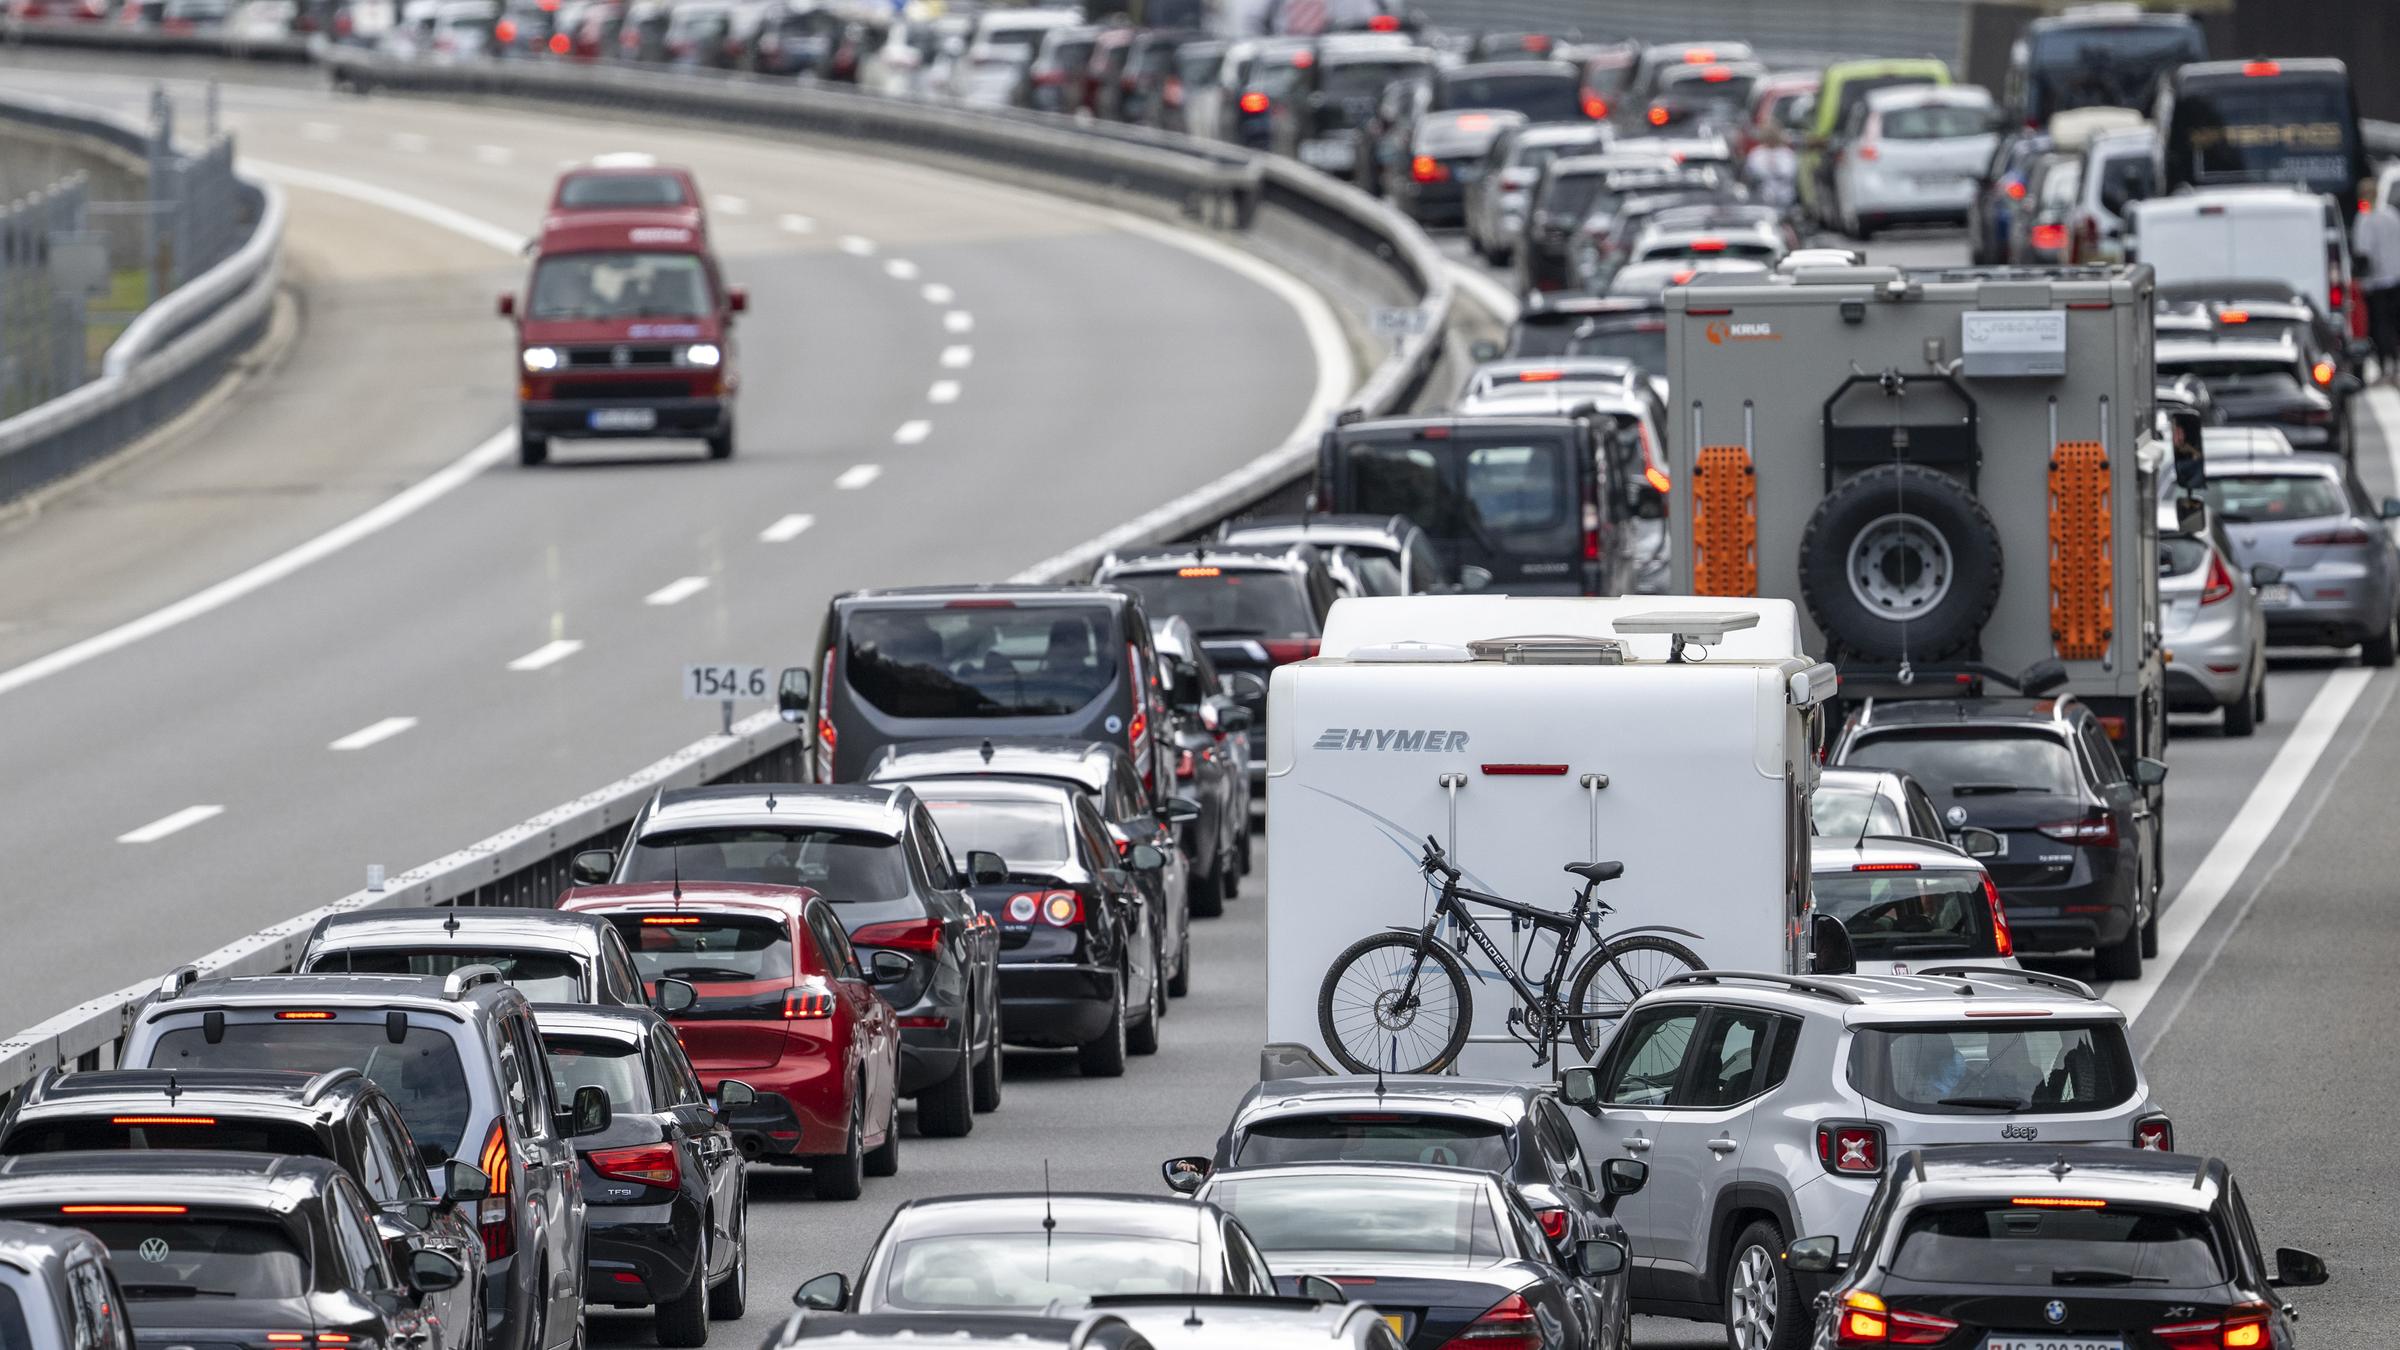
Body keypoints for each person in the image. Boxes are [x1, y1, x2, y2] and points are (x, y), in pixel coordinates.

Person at [2353, 178, 2400, 381]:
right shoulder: (2391, 214)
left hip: (2376, 281)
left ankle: (2383, 363)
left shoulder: (2365, 218)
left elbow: (2363, 252)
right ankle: (2395, 361)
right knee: (2394, 322)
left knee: (2379, 324)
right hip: (2396, 278)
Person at [1744, 125, 1798, 214]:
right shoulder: (1757, 153)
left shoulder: (1787, 153)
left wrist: (1776, 168)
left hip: (1784, 195)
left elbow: (1790, 172)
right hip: (1762, 193)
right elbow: (1751, 172)